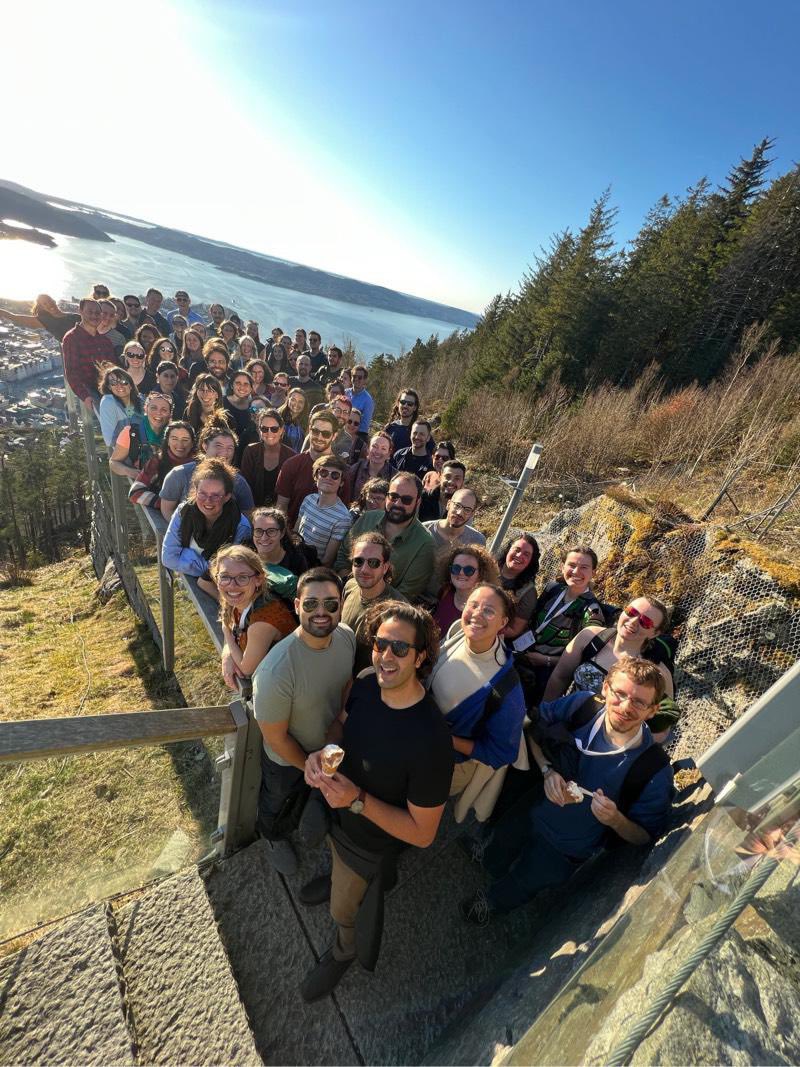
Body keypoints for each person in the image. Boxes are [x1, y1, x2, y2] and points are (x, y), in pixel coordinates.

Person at [299, 601, 453, 1001]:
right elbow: (341, 726)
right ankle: (339, 880)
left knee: (343, 911)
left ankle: (344, 950)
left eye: (399, 648)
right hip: (339, 816)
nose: (385, 656)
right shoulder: (367, 683)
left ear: (420, 657)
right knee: (338, 868)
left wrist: (356, 799)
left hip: (367, 843)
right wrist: (324, 753)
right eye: (380, 644)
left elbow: (423, 834)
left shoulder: (431, 740)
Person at [459, 656, 674, 926]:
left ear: (653, 710)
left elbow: (644, 836)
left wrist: (615, 819)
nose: (625, 707)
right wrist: (547, 770)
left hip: (567, 847)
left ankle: (492, 903)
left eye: (639, 702)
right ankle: (488, 858)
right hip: (534, 807)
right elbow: (534, 726)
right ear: (605, 688)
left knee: (527, 880)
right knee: (503, 839)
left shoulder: (653, 769)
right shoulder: (582, 706)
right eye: (620, 694)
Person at [252, 567, 356, 874]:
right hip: (287, 759)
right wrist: (310, 768)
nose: (321, 612)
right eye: (311, 603)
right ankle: (272, 835)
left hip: (329, 749)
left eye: (330, 604)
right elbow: (276, 738)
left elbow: (346, 683)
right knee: (277, 801)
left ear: (340, 605)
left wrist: (337, 732)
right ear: (297, 606)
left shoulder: (346, 637)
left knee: (306, 797)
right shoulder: (276, 671)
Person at [430, 584, 525, 824]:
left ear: (503, 622)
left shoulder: (506, 689)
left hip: (445, 766)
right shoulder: (457, 631)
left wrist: (448, 740)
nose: (477, 614)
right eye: (473, 605)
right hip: (416, 739)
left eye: (489, 611)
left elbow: (502, 753)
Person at [542, 596, 677, 739]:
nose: (633, 621)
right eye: (631, 612)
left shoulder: (658, 672)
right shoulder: (590, 637)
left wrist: (625, 746)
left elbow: (662, 730)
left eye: (645, 622)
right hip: (564, 725)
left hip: (608, 743)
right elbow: (560, 677)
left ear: (655, 633)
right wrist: (543, 716)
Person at [518, 545, 605, 700]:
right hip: (522, 655)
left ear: (594, 573)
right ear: (562, 567)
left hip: (547, 675)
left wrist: (546, 661)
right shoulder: (552, 589)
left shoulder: (592, 611)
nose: (576, 572)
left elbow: (585, 659)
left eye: (584, 567)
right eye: (571, 565)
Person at [336, 473, 435, 601]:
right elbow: (343, 557)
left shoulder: (425, 544)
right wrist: (353, 591)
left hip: (383, 609)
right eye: (393, 496)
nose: (398, 503)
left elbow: (405, 594)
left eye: (406, 500)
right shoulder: (368, 518)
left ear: (418, 502)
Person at [212, 545, 295, 688]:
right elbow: (229, 621)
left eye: (242, 577)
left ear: (259, 579)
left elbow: (246, 669)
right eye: (224, 576)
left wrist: (226, 632)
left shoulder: (262, 622)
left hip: (285, 685)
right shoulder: (239, 599)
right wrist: (227, 652)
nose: (232, 585)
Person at [161, 458, 251, 584]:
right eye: (202, 493)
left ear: (227, 497)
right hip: (190, 585)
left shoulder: (241, 526)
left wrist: (186, 556)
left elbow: (229, 572)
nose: (208, 501)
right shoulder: (183, 512)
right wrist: (208, 568)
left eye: (215, 495)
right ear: (195, 491)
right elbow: (168, 558)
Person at [341, 532, 408, 673]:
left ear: (385, 567)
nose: (364, 569)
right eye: (358, 561)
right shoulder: (349, 586)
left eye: (373, 563)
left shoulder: (398, 610)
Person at [160, 423, 254, 519]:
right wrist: (182, 527)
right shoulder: (179, 474)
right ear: (205, 446)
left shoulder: (239, 482)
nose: (224, 452)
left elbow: (248, 515)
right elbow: (167, 510)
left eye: (230, 448)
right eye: (219, 446)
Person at [276, 410, 351, 526]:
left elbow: (343, 513)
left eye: (326, 434)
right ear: (309, 430)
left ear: (334, 436)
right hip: (291, 531)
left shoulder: (341, 472)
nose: (319, 437)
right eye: (315, 431)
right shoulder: (291, 465)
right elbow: (281, 507)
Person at [296, 455, 353, 566]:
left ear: (341, 482)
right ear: (316, 476)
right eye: (323, 473)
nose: (328, 478)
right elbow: (295, 533)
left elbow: (327, 560)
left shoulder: (343, 518)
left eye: (335, 475)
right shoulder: (308, 499)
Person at [62, 298, 117, 410]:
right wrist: (85, 396)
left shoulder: (105, 341)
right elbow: (72, 372)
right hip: (91, 396)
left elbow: (114, 367)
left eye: (97, 313)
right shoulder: (72, 338)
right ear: (80, 312)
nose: (94, 315)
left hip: (109, 391)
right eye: (90, 312)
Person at [433, 544, 500, 635]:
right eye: (456, 568)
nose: (461, 573)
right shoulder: (446, 591)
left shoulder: (486, 610)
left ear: (481, 574)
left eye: (469, 570)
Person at [128, 421, 196, 510]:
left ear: (192, 443)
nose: (180, 444)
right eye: (174, 439)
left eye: (185, 440)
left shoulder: (200, 464)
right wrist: (165, 503)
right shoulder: (157, 462)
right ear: (167, 441)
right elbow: (135, 492)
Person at [109, 391, 172, 480]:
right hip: (142, 484)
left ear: (170, 414)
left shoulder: (176, 433)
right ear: (145, 409)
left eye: (164, 410)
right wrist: (129, 471)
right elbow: (114, 462)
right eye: (153, 408)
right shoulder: (131, 432)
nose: (158, 413)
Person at [240, 408, 296, 507]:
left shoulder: (291, 456)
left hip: (280, 511)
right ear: (259, 430)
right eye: (264, 429)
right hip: (253, 509)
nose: (269, 433)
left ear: (281, 430)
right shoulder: (250, 451)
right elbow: (245, 486)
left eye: (274, 429)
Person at [495, 534, 540, 638]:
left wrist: (486, 628)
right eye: (517, 550)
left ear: (531, 561)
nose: (519, 555)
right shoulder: (487, 568)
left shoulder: (528, 592)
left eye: (526, 554)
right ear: (508, 550)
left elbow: (514, 630)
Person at [251, 506, 309, 583]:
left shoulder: (297, 561)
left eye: (271, 531)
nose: (264, 537)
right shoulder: (246, 559)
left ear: (282, 533)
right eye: (258, 531)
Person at [423, 487, 485, 554]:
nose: (459, 513)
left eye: (467, 510)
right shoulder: (424, 530)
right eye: (457, 505)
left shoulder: (477, 541)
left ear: (472, 514)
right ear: (448, 505)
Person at [0, 293, 79, 340]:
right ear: (42, 308)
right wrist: (2, 312)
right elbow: (14, 317)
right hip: (75, 356)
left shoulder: (75, 316)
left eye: (49, 301)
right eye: (45, 304)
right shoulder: (47, 321)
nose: (49, 304)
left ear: (54, 301)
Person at [97, 365, 142, 447]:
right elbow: (110, 440)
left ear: (130, 385)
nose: (119, 385)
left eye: (124, 382)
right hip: (127, 451)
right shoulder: (108, 403)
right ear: (109, 387)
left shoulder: (142, 401)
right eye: (113, 383)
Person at [346, 431, 396, 500]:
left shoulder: (394, 476)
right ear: (368, 449)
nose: (378, 451)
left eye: (383, 448)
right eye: (375, 446)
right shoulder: (355, 469)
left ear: (389, 453)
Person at [223, 370, 258, 460]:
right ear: (232, 385)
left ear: (251, 388)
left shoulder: (253, 405)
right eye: (238, 383)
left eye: (246, 384)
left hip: (246, 454)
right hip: (224, 451)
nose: (242, 387)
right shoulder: (221, 402)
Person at [384, 388, 421, 452]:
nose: (405, 406)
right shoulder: (390, 428)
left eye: (410, 404)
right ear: (398, 404)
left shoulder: (420, 429)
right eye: (403, 402)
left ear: (415, 407)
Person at [278, 388, 309, 452]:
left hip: (296, 456)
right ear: (288, 400)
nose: (296, 404)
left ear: (304, 405)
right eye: (293, 400)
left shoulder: (307, 422)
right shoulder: (277, 416)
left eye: (300, 402)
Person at [346, 364, 374, 432]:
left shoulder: (368, 400)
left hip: (354, 434)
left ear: (365, 380)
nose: (356, 379)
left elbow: (364, 426)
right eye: (354, 376)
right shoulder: (344, 393)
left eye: (359, 377)